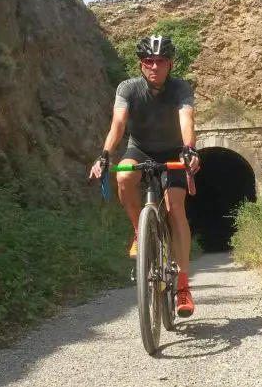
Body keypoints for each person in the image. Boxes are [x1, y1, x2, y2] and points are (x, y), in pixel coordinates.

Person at [89, 35, 201, 318]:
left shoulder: (180, 88)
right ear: (141, 64)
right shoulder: (128, 88)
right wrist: (105, 154)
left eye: (160, 61)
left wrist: (189, 150)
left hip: (174, 151)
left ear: (170, 63)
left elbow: (187, 120)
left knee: (176, 208)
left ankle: (184, 287)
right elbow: (118, 123)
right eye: (148, 61)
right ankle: (140, 231)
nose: (154, 66)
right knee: (124, 178)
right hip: (139, 149)